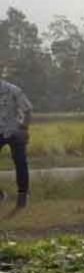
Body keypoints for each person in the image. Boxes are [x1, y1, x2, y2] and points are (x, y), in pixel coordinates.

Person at [0, 78, 32, 208]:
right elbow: (28, 110)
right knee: (21, 163)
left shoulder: (13, 90)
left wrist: (24, 128)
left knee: (21, 163)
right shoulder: (13, 89)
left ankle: (22, 196)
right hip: (7, 130)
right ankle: (5, 195)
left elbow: (27, 110)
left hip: (15, 131)